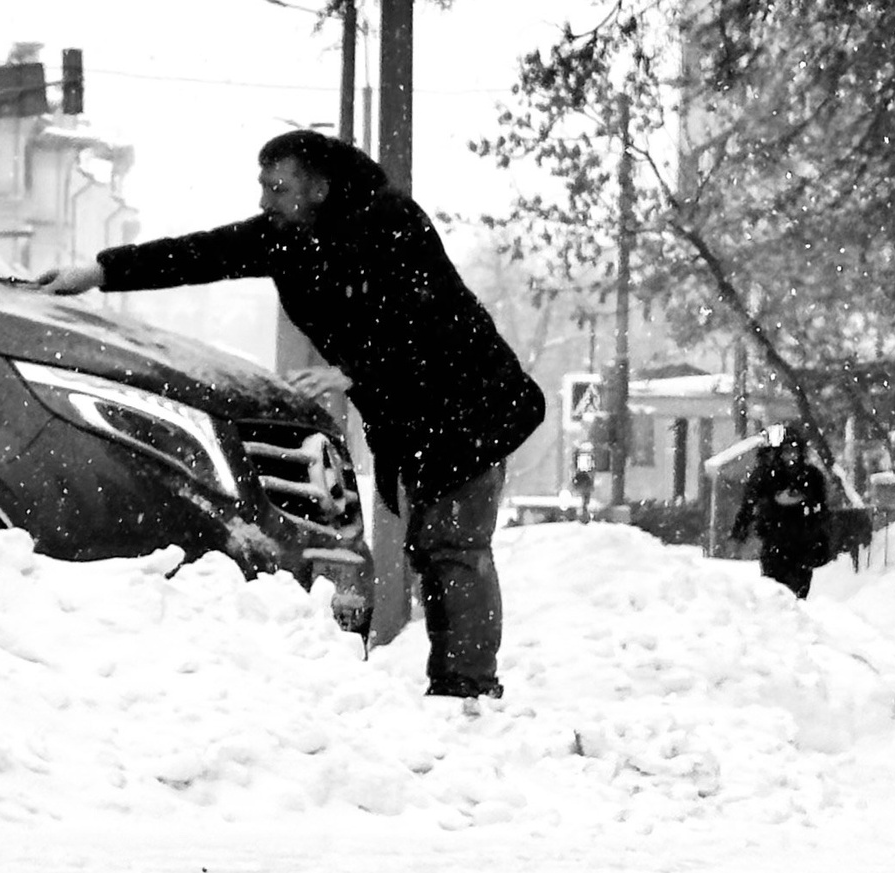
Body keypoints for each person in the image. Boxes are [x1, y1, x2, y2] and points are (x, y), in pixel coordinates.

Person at [36, 130, 546, 705]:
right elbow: (201, 252)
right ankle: (459, 688)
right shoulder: (287, 238)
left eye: (277, 188)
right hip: (411, 416)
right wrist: (100, 272)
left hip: (468, 402)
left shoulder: (391, 222)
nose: (263, 202)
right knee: (432, 548)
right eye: (262, 186)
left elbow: (426, 316)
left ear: (320, 189)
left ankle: (467, 690)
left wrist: (354, 371)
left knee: (455, 546)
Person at [729, 424, 833, 599]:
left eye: (794, 451)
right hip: (774, 540)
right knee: (774, 589)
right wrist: (740, 531)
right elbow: (749, 503)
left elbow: (822, 509)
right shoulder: (767, 475)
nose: (791, 457)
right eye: (786, 451)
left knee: (799, 590)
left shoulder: (812, 476)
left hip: (803, 543)